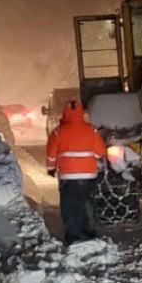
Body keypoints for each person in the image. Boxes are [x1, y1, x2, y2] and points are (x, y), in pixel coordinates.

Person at [46, 100, 106, 244]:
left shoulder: (58, 132)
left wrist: (51, 169)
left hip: (68, 177)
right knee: (87, 204)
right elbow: (100, 152)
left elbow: (51, 154)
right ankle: (89, 233)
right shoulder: (91, 130)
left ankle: (73, 235)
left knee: (69, 206)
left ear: (65, 113)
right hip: (88, 176)